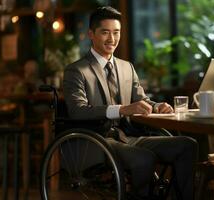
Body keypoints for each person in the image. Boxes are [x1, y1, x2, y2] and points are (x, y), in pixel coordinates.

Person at [63, 6, 198, 200]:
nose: (112, 39)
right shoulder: (76, 70)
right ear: (91, 34)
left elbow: (140, 100)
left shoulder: (127, 67)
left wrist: (156, 106)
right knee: (144, 158)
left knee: (187, 145)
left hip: (130, 136)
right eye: (105, 32)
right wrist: (123, 109)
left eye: (116, 32)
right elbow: (77, 111)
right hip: (97, 140)